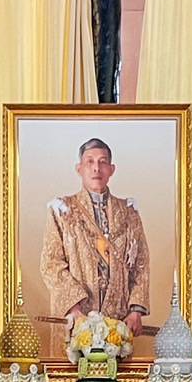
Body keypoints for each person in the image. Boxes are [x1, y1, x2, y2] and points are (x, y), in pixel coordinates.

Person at [39, 137, 151, 334]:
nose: (96, 168)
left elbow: (141, 263)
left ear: (111, 169)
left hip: (118, 323)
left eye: (102, 162)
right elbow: (51, 263)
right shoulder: (62, 210)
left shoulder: (129, 212)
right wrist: (74, 309)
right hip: (77, 320)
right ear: (79, 168)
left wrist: (135, 311)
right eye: (89, 161)